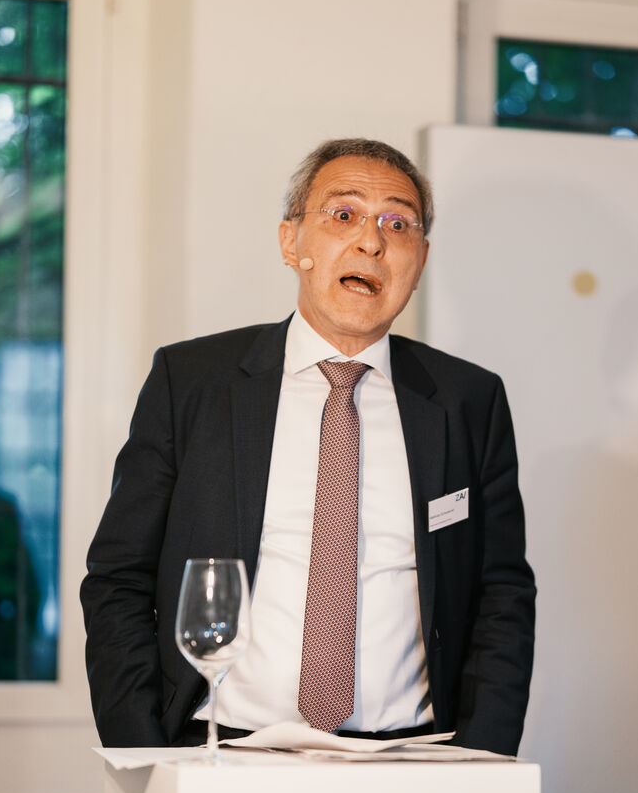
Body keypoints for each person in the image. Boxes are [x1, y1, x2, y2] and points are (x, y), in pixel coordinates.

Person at [81, 137, 535, 754]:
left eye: (397, 224)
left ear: (421, 260)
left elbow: (502, 595)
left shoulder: (468, 402)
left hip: (413, 761)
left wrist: (480, 757)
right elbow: (118, 580)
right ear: (291, 242)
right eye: (344, 215)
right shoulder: (190, 382)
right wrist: (146, 755)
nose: (372, 242)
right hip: (222, 753)